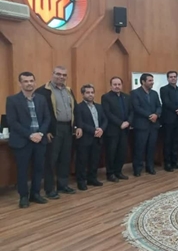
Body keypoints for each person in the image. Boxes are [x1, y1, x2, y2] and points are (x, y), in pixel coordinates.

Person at [6, 72, 50, 208]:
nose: (29, 83)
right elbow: (12, 122)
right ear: (20, 84)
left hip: (40, 140)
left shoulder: (41, 99)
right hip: (22, 141)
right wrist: (30, 135)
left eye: (31, 81)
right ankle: (23, 196)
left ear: (35, 82)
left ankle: (35, 194)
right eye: (25, 81)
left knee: (38, 169)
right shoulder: (12, 100)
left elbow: (47, 118)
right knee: (23, 170)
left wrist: (40, 133)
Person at [35, 66, 78, 197]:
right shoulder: (43, 91)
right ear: (52, 74)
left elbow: (75, 109)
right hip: (53, 130)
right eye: (58, 74)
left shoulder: (68, 90)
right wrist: (46, 131)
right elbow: (39, 113)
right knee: (51, 160)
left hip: (68, 129)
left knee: (65, 158)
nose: (61, 77)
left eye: (64, 75)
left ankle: (63, 185)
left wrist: (77, 126)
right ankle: (49, 189)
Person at [74, 84, 107, 190]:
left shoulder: (99, 106)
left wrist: (101, 129)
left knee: (94, 160)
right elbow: (80, 122)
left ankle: (92, 178)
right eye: (87, 92)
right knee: (82, 161)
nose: (90, 94)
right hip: (85, 138)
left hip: (98, 137)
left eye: (92, 92)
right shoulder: (79, 107)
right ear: (83, 94)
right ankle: (81, 181)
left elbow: (105, 120)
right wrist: (94, 131)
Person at [101, 77, 133, 182]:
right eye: (115, 84)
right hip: (112, 130)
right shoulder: (106, 97)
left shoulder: (127, 97)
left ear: (122, 85)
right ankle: (110, 173)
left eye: (119, 84)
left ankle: (118, 171)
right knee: (111, 152)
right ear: (111, 86)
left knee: (122, 152)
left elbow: (131, 111)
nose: (117, 86)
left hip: (125, 130)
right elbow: (107, 113)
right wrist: (120, 123)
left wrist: (128, 122)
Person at [130, 73, 161, 176]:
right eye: (150, 80)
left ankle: (150, 166)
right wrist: (150, 115)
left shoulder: (154, 93)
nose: (152, 82)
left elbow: (159, 106)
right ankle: (137, 168)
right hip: (141, 125)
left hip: (153, 125)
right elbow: (136, 107)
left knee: (151, 147)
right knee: (139, 147)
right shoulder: (135, 93)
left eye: (152, 80)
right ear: (143, 81)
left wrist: (156, 114)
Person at [160, 71, 178, 172]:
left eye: (175, 77)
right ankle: (167, 163)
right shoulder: (164, 89)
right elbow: (166, 102)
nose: (173, 78)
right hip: (168, 120)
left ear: (177, 78)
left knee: (176, 142)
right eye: (171, 77)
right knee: (168, 142)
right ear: (167, 78)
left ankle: (175, 162)